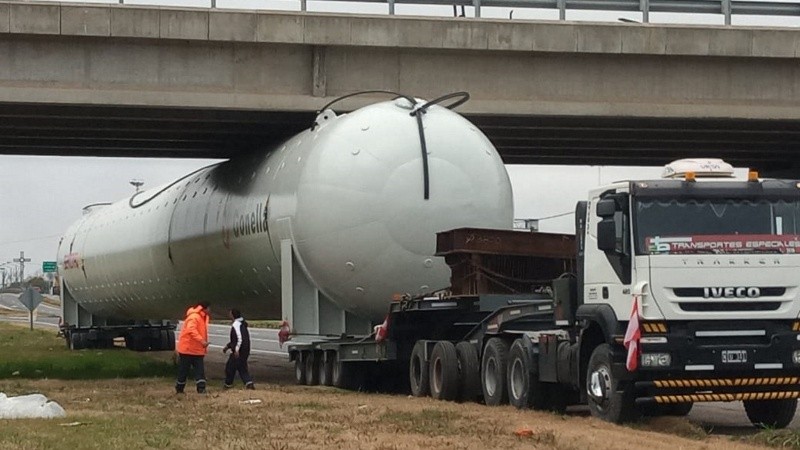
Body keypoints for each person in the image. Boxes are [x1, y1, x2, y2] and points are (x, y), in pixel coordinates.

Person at [175, 301, 210, 394]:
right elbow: (191, 330)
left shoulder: (202, 317)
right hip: (188, 349)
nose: (210, 310)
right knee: (184, 370)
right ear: (204, 308)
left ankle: (201, 388)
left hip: (197, 350)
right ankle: (179, 388)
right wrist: (201, 341)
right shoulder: (194, 317)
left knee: (200, 371)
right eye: (209, 308)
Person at [222, 308, 254, 390]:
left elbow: (239, 338)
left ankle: (228, 384)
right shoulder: (242, 324)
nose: (229, 315)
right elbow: (235, 339)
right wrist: (228, 346)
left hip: (239, 350)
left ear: (233, 315)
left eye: (230, 314)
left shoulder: (236, 324)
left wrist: (236, 349)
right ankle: (248, 383)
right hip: (245, 349)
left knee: (230, 367)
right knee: (241, 367)